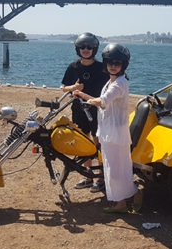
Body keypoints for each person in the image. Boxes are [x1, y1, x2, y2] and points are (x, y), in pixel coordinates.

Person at [73, 43, 142, 213]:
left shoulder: (119, 84)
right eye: (110, 62)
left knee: (116, 170)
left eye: (117, 63)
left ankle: (125, 201)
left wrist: (88, 101)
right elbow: (100, 100)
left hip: (115, 133)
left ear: (123, 65)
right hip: (109, 132)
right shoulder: (113, 81)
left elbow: (102, 101)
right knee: (115, 168)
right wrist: (81, 95)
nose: (113, 66)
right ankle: (128, 199)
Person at [61, 32, 109, 192]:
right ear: (78, 49)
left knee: (98, 142)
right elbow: (63, 88)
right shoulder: (73, 67)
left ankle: (101, 178)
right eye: (82, 47)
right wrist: (73, 88)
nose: (86, 49)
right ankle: (88, 176)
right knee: (83, 142)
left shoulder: (102, 68)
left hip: (97, 111)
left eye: (89, 47)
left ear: (94, 49)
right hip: (78, 110)